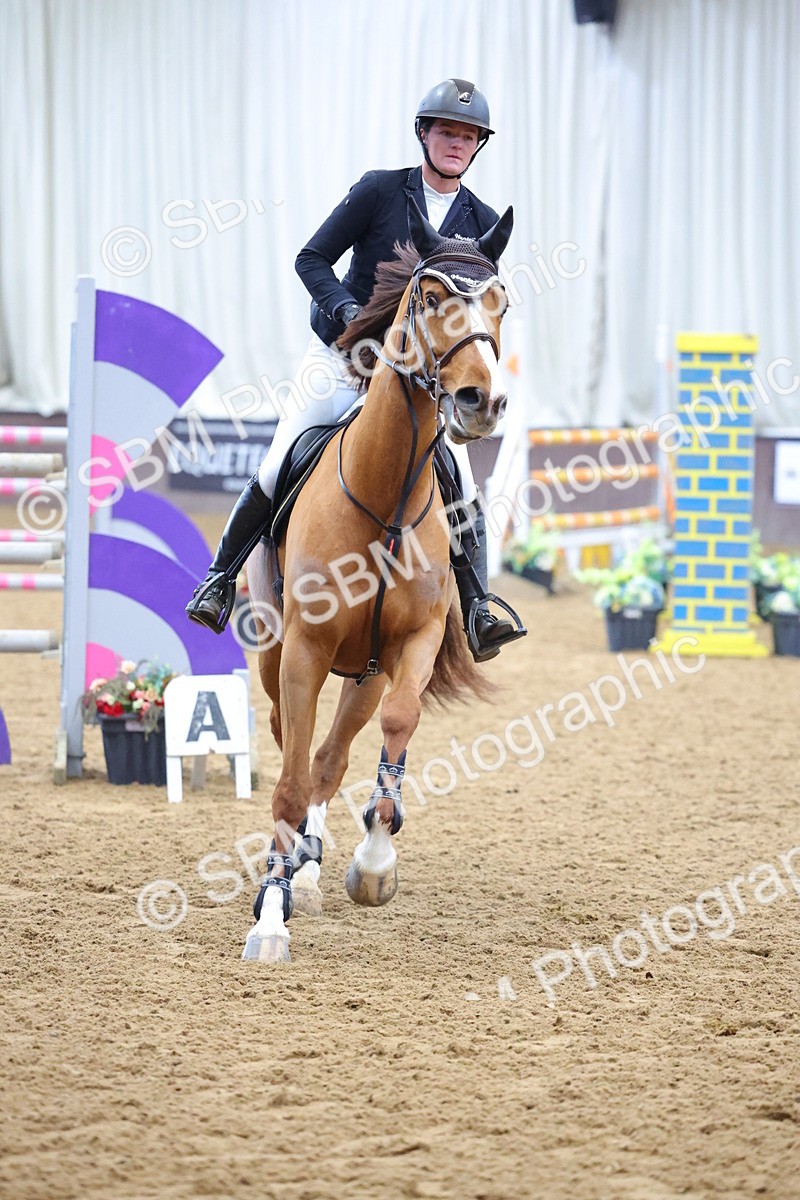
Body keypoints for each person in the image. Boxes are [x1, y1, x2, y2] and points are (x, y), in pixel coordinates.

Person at [186, 78, 525, 662]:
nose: (456, 143)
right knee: (279, 459)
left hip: (421, 382)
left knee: (464, 487)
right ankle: (220, 580)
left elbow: (478, 308)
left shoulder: (483, 221)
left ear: (478, 146)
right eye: (447, 131)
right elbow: (310, 258)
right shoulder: (379, 191)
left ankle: (477, 607)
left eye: (468, 136)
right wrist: (345, 312)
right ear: (424, 133)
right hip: (346, 361)